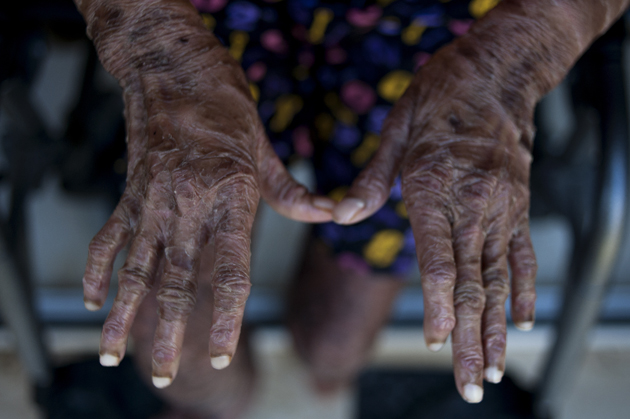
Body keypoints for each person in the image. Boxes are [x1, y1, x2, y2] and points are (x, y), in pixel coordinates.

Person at [72, 0, 630, 416]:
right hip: (193, 13)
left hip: (443, 27)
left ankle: (324, 372)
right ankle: (212, 406)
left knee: (335, 342)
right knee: (170, 327)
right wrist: (151, 42)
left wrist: (512, 58)